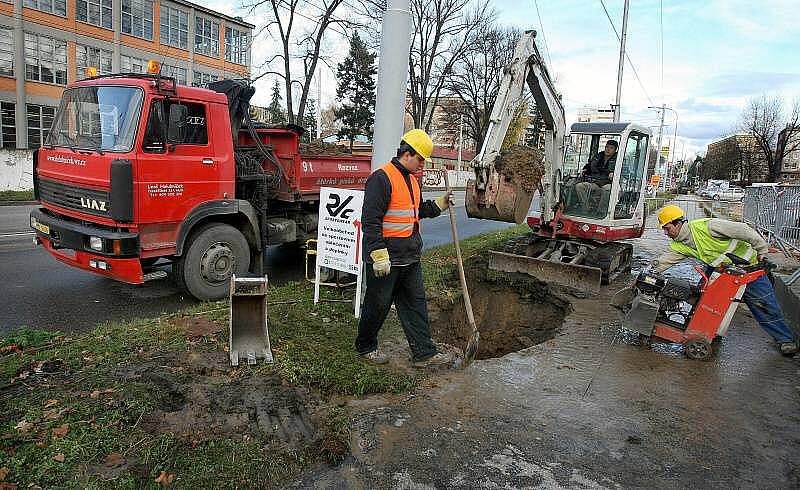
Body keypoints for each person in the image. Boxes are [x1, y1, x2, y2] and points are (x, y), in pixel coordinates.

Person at [355, 129, 455, 367]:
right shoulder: (381, 178)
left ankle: (424, 353)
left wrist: (439, 204)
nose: (422, 165)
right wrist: (378, 254)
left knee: (415, 305)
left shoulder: (411, 180)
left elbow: (415, 211)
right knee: (377, 306)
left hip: (409, 258)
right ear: (407, 153)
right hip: (385, 260)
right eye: (420, 159)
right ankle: (365, 347)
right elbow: (370, 221)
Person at [651, 204, 798, 355]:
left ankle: (785, 340)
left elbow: (744, 230)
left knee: (764, 305)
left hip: (749, 269)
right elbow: (665, 261)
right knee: (703, 302)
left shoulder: (708, 227)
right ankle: (708, 332)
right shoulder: (679, 244)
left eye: (667, 228)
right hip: (722, 271)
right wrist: (647, 274)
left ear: (678, 223)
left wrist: (762, 249)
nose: (665, 233)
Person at [574, 140, 618, 209]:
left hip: (608, 183)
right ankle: (586, 209)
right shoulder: (599, 155)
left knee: (607, 189)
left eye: (611, 148)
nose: (608, 149)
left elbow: (623, 171)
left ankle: (600, 211)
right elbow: (589, 165)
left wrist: (614, 174)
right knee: (580, 186)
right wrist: (585, 169)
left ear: (615, 150)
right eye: (607, 147)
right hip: (595, 182)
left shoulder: (618, 159)